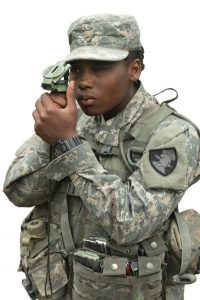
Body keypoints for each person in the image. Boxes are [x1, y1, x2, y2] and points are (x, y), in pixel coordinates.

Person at [3, 14, 200, 300]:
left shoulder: (172, 134)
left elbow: (130, 224)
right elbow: (17, 191)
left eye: (99, 68)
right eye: (76, 70)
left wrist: (69, 144)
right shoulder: (74, 120)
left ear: (134, 69)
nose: (84, 82)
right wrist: (51, 139)